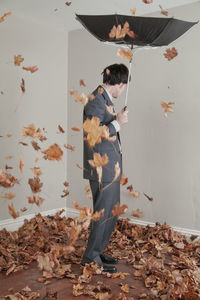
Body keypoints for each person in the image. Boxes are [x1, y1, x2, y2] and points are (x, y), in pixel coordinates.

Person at [81, 63, 129, 273]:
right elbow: (93, 135)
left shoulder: (105, 100)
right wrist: (116, 124)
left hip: (111, 168)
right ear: (119, 84)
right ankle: (90, 259)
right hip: (102, 168)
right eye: (124, 85)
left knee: (111, 212)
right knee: (103, 213)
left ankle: (98, 251)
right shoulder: (95, 100)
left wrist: (115, 119)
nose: (124, 89)